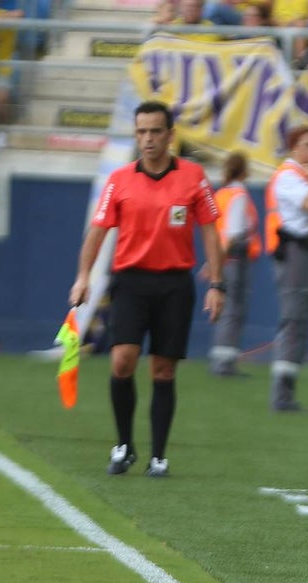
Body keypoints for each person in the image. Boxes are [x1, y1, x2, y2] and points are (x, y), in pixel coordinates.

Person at [67, 100, 223, 478]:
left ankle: (158, 455)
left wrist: (217, 283)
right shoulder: (120, 179)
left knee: (164, 370)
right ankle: (124, 446)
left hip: (174, 284)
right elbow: (98, 231)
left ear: (170, 135)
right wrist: (83, 276)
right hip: (131, 280)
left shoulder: (193, 176)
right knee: (122, 359)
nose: (148, 139)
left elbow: (209, 230)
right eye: (141, 131)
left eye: (155, 131)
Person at [264, 125, 308, 411]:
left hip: (304, 251)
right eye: (307, 144)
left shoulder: (298, 175)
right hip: (295, 251)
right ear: (294, 147)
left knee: (299, 320)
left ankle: (286, 392)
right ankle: (282, 394)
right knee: (294, 319)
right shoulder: (290, 177)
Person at [208, 151, 260, 377]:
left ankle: (222, 359)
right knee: (233, 309)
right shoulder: (239, 195)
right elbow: (233, 233)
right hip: (234, 257)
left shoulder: (222, 194)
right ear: (244, 171)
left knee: (227, 308)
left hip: (222, 255)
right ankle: (224, 363)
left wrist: (213, 262)